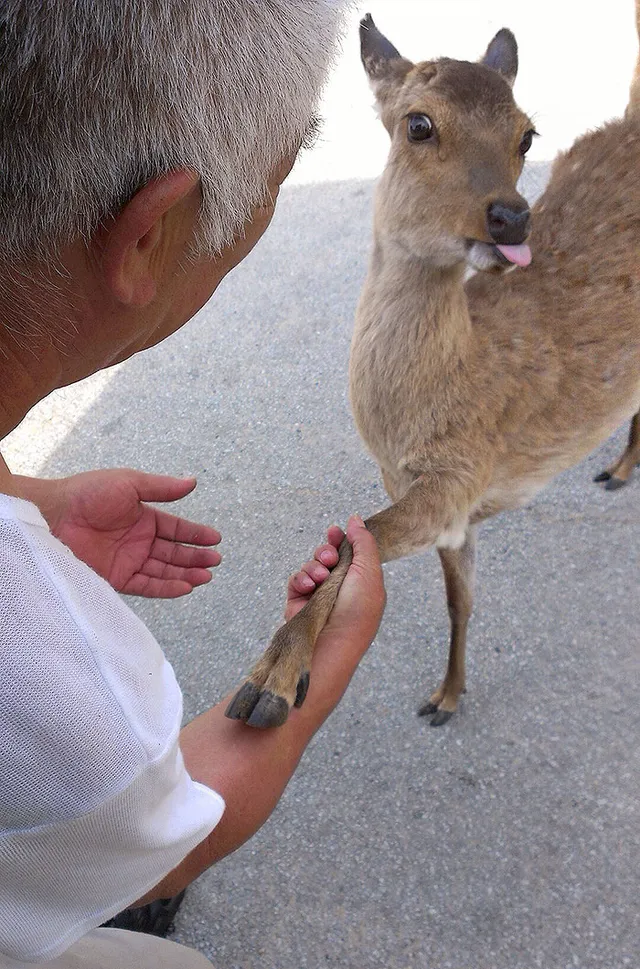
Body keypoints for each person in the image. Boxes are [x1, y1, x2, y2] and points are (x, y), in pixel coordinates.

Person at [0, 2, 386, 967]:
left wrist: (27, 506)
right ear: (149, 236)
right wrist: (322, 644)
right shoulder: (48, 679)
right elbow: (184, 822)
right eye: (280, 170)